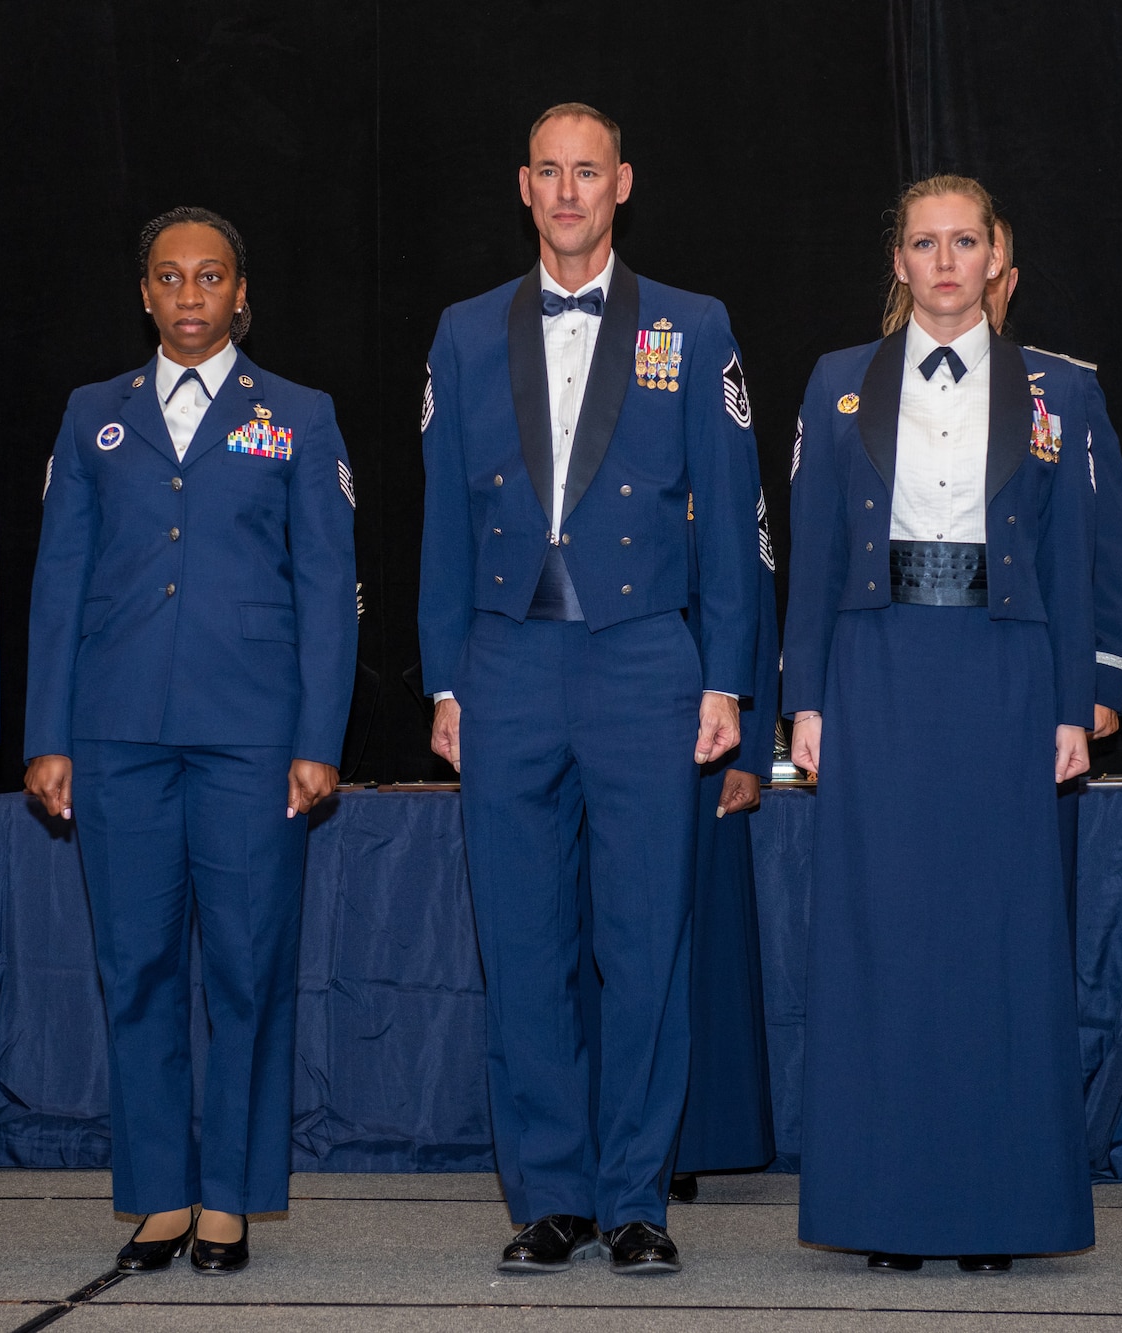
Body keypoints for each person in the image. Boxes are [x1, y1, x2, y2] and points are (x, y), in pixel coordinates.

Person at [417, 102, 759, 1276]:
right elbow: (440, 527)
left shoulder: (691, 322)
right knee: (518, 941)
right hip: (504, 662)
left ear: (623, 183)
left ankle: (634, 1196)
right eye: (550, 173)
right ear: (524, 186)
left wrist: (729, 679)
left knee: (643, 937)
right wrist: (442, 679)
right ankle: (548, 1195)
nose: (569, 193)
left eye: (589, 173)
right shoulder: (463, 332)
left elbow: (736, 524)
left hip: (641, 660)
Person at [24, 208, 356, 1276]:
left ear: (239, 292)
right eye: (168, 278)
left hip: (253, 738)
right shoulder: (92, 417)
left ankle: (232, 1197)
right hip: (116, 733)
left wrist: (317, 735)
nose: (188, 296)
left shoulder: (298, 414)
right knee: (138, 966)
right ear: (145, 294)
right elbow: (57, 584)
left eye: (208, 277)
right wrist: (46, 734)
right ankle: (159, 1193)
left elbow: (326, 591)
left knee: (248, 971)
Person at [784, 174, 1096, 1273]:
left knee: (1000, 941)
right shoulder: (833, 384)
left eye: (966, 241)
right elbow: (814, 549)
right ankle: (886, 1209)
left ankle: (998, 1211)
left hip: (1005, 670)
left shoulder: (1061, 388)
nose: (946, 260)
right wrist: (805, 699)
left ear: (997, 261)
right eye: (925, 242)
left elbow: (1078, 558)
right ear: (899, 261)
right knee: (884, 937)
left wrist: (1074, 705)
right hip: (877, 667)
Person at [985, 212, 1122, 967]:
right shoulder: (873, 385)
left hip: (1039, 681)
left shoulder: (1064, 388)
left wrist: (1098, 678)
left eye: (988, 263)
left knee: (1029, 906)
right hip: (919, 676)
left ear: (1008, 283)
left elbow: (1104, 545)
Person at [667, 495, 780, 1202]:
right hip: (591, 702)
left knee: (698, 933)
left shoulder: (710, 427)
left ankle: (689, 1138)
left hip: (706, 728)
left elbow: (753, 585)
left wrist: (756, 745)